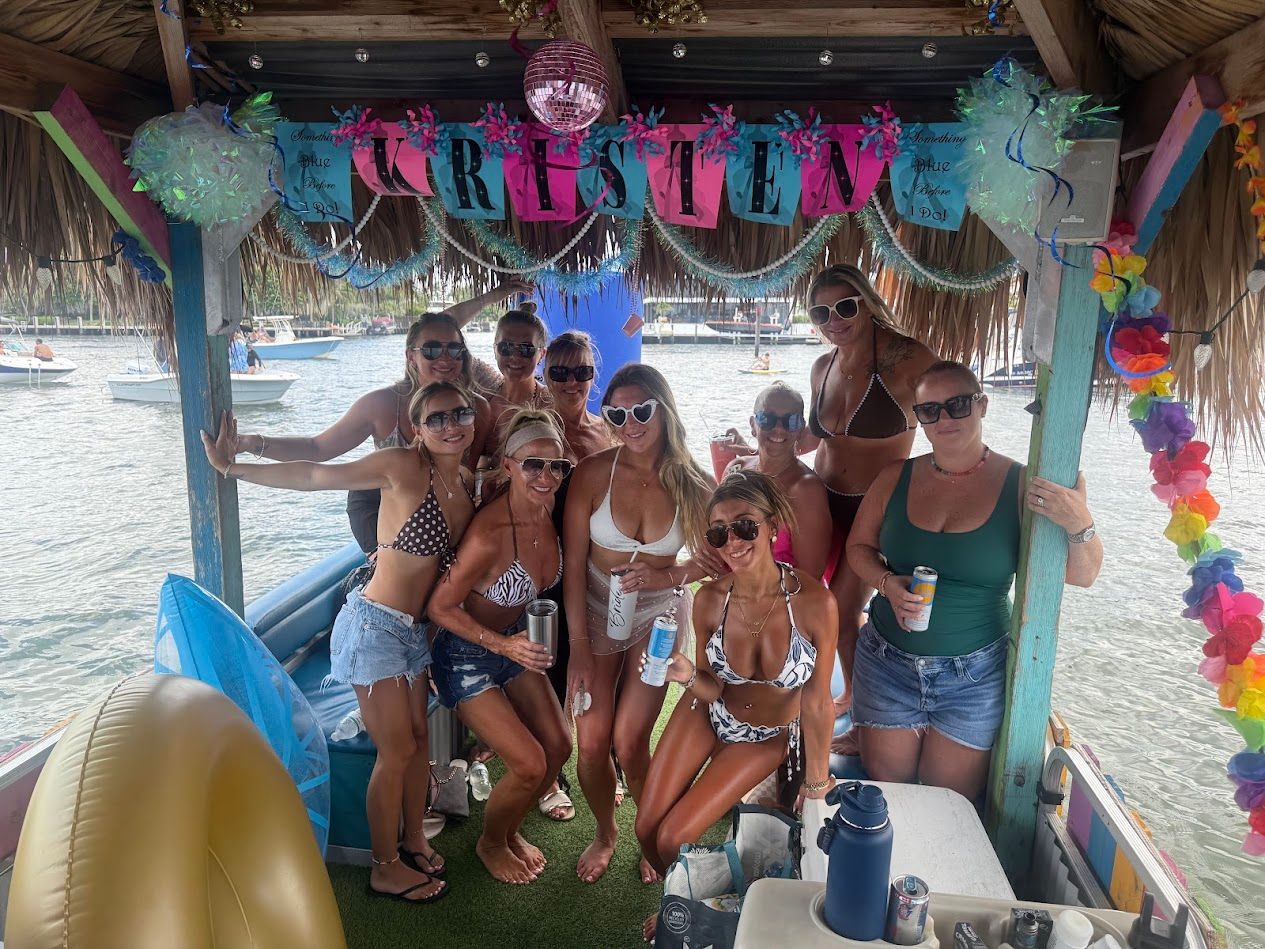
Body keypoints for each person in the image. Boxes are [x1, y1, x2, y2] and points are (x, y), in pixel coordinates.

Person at [200, 380, 480, 904]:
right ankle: (384, 867)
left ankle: (414, 838)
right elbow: (314, 473)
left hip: (414, 631)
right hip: (373, 627)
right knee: (396, 751)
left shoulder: (465, 483)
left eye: (460, 414)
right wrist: (233, 466)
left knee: (419, 740)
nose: (451, 426)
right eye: (437, 418)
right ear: (416, 429)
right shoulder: (402, 466)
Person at [846, 361, 1102, 800]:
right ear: (919, 418)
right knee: (889, 793)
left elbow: (1083, 575)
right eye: (930, 410)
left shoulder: (1021, 485)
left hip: (974, 675)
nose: (944, 418)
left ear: (982, 406)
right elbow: (858, 549)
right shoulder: (895, 477)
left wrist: (1079, 521)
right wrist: (887, 583)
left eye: (958, 404)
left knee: (950, 801)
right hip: (887, 662)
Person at [564, 363, 725, 885]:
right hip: (594, 608)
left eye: (640, 410)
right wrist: (578, 648)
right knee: (592, 743)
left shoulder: (694, 482)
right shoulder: (592, 473)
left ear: (664, 408)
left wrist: (669, 572)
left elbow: (719, 559)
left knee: (630, 741)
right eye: (616, 414)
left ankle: (648, 833)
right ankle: (605, 832)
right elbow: (572, 567)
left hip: (657, 614)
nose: (628, 423)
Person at [635, 471, 838, 879]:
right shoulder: (710, 600)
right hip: (708, 711)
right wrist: (685, 674)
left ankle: (704, 897)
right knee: (645, 830)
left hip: (767, 735)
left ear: (772, 526)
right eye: (718, 533)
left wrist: (816, 783)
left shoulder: (816, 603)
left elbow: (817, 701)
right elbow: (711, 687)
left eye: (745, 526)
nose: (732, 541)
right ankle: (684, 895)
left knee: (672, 838)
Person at [426, 410, 572, 885]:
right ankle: (491, 842)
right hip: (464, 655)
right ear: (508, 465)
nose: (546, 476)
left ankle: (508, 828)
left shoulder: (547, 509)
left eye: (556, 466)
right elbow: (440, 607)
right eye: (533, 464)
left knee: (559, 746)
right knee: (529, 764)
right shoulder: (490, 534)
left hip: (513, 643)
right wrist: (503, 646)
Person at [799, 264, 940, 749]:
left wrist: (944, 486)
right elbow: (816, 439)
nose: (833, 320)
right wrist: (761, 446)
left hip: (872, 508)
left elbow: (949, 418)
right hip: (821, 501)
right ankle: (848, 694)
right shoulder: (823, 366)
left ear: (867, 302)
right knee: (813, 604)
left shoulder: (908, 358)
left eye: (844, 307)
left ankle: (863, 720)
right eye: (821, 313)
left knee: (840, 610)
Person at [228, 311, 497, 554]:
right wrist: (250, 444)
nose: (445, 358)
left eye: (454, 349)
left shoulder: (477, 409)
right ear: (410, 356)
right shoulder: (382, 404)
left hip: (441, 507)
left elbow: (466, 474)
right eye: (431, 350)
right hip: (377, 506)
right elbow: (317, 449)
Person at [533, 330, 614, 823]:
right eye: (559, 372)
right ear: (544, 375)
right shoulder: (534, 431)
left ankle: (602, 760)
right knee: (551, 666)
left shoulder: (607, 430)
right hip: (546, 567)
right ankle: (550, 775)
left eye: (582, 371)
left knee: (600, 666)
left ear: (593, 374)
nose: (571, 382)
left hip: (597, 570)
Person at [724, 383, 831, 580]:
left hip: (784, 593)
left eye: (791, 421)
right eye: (768, 419)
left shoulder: (805, 489)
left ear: (801, 429)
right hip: (735, 586)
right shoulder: (736, 469)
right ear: (753, 425)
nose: (779, 429)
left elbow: (810, 575)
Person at [483, 306, 553, 442]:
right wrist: (490, 298)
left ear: (542, 354)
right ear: (495, 349)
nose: (515, 357)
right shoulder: (484, 383)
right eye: (506, 347)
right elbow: (444, 327)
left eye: (526, 349)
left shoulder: (550, 404)